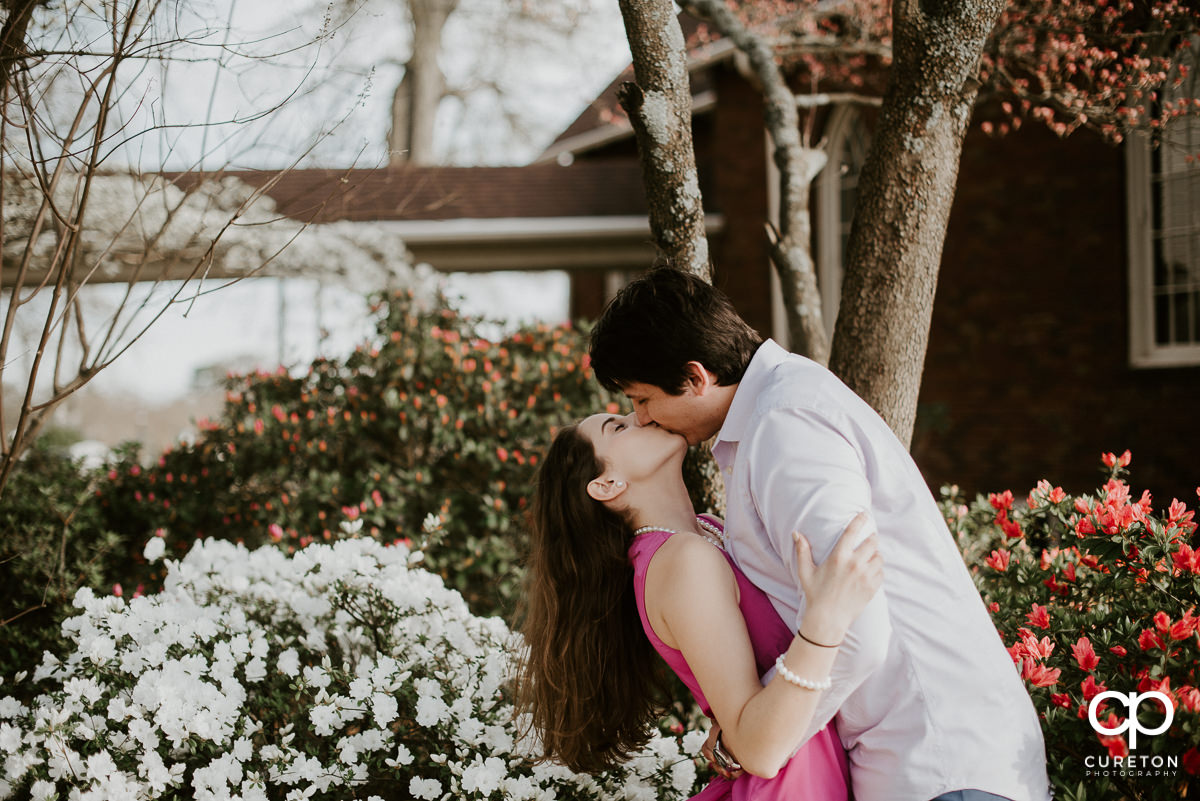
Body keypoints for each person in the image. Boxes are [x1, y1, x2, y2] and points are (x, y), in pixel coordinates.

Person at [586, 267, 1051, 801]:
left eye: (643, 400)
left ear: (695, 378)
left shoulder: (786, 426)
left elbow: (857, 626)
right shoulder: (771, 416)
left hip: (934, 760)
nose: (643, 418)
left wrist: (755, 737)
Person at [512, 411, 883, 799]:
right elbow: (760, 750)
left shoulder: (705, 531)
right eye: (618, 427)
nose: (639, 416)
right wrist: (825, 621)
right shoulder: (680, 561)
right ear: (607, 485)